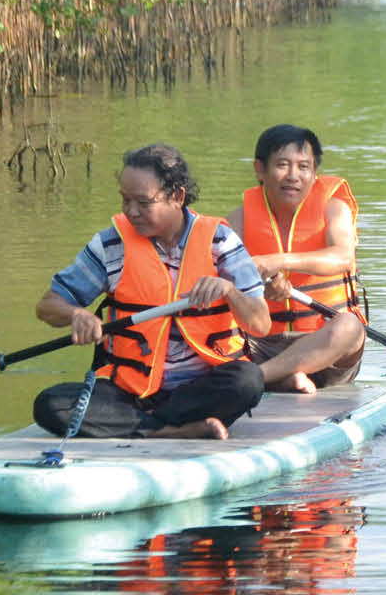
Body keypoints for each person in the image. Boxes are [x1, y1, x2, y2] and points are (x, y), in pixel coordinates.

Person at [32, 142, 269, 439]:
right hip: (129, 390)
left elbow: (260, 323)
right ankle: (168, 429)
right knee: (50, 405)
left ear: (177, 197)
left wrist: (230, 291)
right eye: (125, 200)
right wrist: (75, 314)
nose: (132, 212)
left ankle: (138, 425)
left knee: (248, 381)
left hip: (201, 388)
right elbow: (48, 306)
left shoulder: (220, 241)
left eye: (143, 203)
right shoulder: (110, 245)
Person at [228, 123, 368, 393]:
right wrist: (261, 291)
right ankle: (284, 378)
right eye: (282, 164)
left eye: (304, 167)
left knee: (351, 327)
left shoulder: (335, 209)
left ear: (315, 173)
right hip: (261, 344)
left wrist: (279, 261)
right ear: (260, 169)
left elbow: (342, 258)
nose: (293, 175)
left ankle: (259, 377)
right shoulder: (240, 218)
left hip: (324, 346)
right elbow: (224, 278)